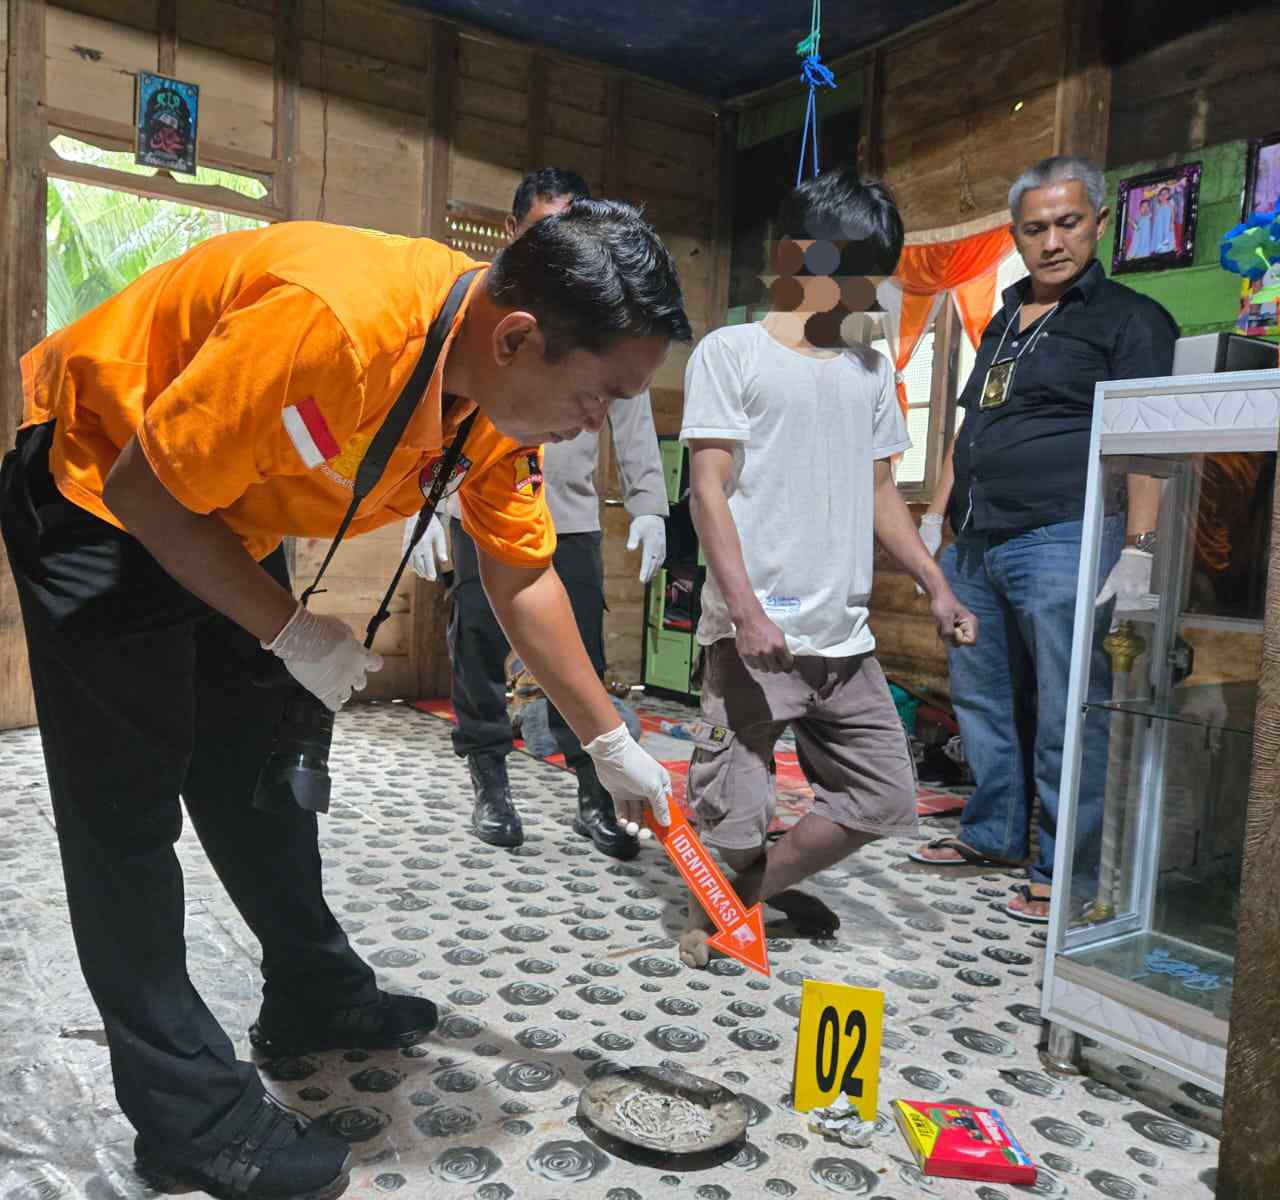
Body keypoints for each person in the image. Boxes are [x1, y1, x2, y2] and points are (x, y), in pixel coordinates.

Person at [0, 202, 687, 1200]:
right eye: (599, 396)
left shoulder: (495, 398)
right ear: (517, 338)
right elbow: (147, 491)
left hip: (219, 512)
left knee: (257, 765)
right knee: (124, 811)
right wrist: (289, 630)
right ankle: (189, 1121)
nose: (596, 424)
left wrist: (610, 742)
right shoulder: (335, 325)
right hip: (98, 484)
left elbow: (522, 574)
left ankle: (313, 993)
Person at [677, 168, 978, 965]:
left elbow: (880, 491)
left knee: (882, 795)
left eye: (871, 276)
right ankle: (736, 892)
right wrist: (745, 610)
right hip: (753, 634)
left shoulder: (870, 371)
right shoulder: (731, 353)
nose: (862, 292)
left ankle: (744, 898)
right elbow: (707, 490)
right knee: (732, 812)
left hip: (844, 640)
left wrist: (936, 584)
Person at [912, 155, 1179, 922]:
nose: (1052, 241)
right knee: (982, 701)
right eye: (1035, 229)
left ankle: (1067, 874)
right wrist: (935, 519)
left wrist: (1140, 548)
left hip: (1063, 535)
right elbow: (973, 424)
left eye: (1068, 223)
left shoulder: (1131, 319)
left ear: (1100, 223)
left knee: (1068, 711)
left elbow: (1150, 443)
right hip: (976, 541)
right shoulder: (1003, 318)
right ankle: (992, 834)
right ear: (1017, 236)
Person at [402, 167, 669, 859]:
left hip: (568, 511)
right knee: (478, 645)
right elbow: (428, 406)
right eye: (546, 231)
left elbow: (631, 412)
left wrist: (649, 503)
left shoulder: (606, 310)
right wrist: (420, 506)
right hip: (476, 498)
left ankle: (597, 790)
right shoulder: (485, 308)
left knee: (578, 650)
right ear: (514, 230)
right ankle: (490, 782)